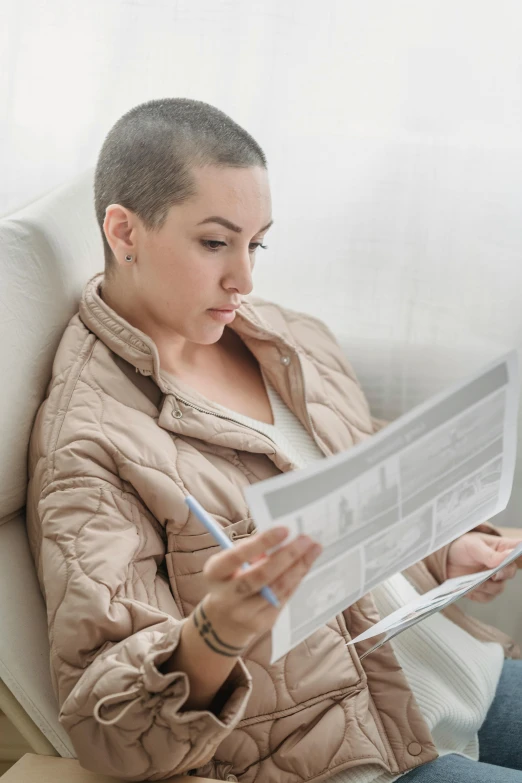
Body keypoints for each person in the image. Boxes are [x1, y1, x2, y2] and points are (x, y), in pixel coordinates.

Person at [25, 97, 522, 783]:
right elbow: (111, 726)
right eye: (214, 243)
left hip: (464, 676)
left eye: (255, 244)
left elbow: (363, 488)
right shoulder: (90, 444)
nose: (245, 278)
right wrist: (212, 634)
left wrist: (446, 547)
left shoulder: (287, 337)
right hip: (355, 759)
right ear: (123, 231)